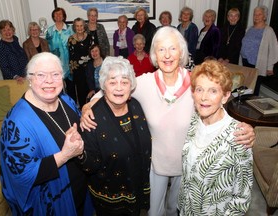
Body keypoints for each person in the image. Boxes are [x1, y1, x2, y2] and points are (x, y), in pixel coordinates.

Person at [80, 26, 255, 216]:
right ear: (154, 53)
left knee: (176, 209)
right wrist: (88, 106)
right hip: (155, 164)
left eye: (173, 48)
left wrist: (242, 128)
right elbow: (112, 88)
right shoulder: (144, 83)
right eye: (161, 49)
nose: (167, 55)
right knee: (154, 212)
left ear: (181, 52)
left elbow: (216, 104)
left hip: (189, 163)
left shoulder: (195, 83)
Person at [0, 52, 92, 215]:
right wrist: (64, 155)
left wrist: (86, 110)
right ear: (29, 79)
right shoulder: (16, 122)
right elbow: (22, 175)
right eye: (41, 75)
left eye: (55, 74)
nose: (49, 81)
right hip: (52, 203)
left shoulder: (65, 100)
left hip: (80, 191)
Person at [177, 60, 253, 215]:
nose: (204, 97)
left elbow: (242, 198)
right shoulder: (193, 122)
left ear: (225, 96)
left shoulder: (239, 136)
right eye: (199, 89)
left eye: (213, 91)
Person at [79, 56, 152, 216]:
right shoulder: (92, 117)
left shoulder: (136, 106)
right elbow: (89, 165)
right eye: (112, 82)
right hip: (110, 198)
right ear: (103, 86)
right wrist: (78, 151)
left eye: (124, 82)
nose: (119, 88)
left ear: (131, 86)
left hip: (136, 189)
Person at [241, 5, 278, 95]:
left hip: (257, 64)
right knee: (245, 85)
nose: (256, 16)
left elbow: (273, 49)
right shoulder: (249, 28)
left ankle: (251, 105)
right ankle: (243, 105)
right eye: (255, 14)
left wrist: (270, 67)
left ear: (264, 16)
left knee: (254, 88)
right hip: (245, 61)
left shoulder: (268, 30)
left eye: (259, 14)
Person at [46, 7, 76, 102]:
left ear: (64, 16)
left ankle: (73, 106)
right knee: (57, 87)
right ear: (53, 17)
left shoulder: (70, 29)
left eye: (60, 14)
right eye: (56, 14)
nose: (58, 16)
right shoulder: (50, 31)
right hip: (55, 64)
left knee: (71, 87)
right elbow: (47, 47)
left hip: (69, 62)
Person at [68, 17, 91, 108]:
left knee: (90, 90)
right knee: (80, 92)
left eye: (81, 25)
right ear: (74, 27)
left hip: (89, 68)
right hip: (77, 70)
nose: (79, 28)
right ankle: (82, 110)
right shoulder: (71, 39)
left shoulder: (90, 37)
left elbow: (93, 52)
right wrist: (72, 70)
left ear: (84, 26)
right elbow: (71, 56)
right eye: (77, 26)